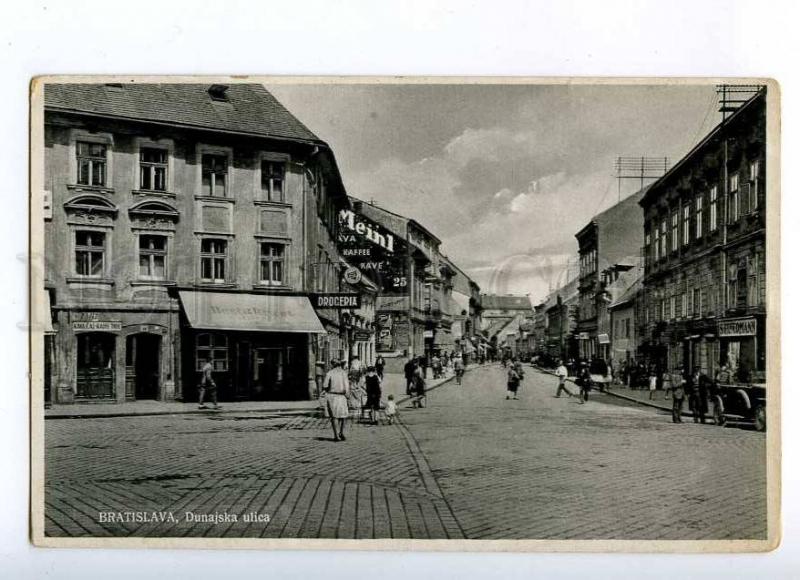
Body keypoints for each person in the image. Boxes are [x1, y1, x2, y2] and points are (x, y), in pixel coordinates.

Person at [322, 359, 351, 441]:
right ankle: (341, 432)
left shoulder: (330, 373)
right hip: (342, 396)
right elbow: (347, 386)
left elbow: (325, 385)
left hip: (332, 396)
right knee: (343, 416)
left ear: (332, 365)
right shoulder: (343, 373)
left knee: (334, 417)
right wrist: (348, 396)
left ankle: (336, 435)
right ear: (339, 365)